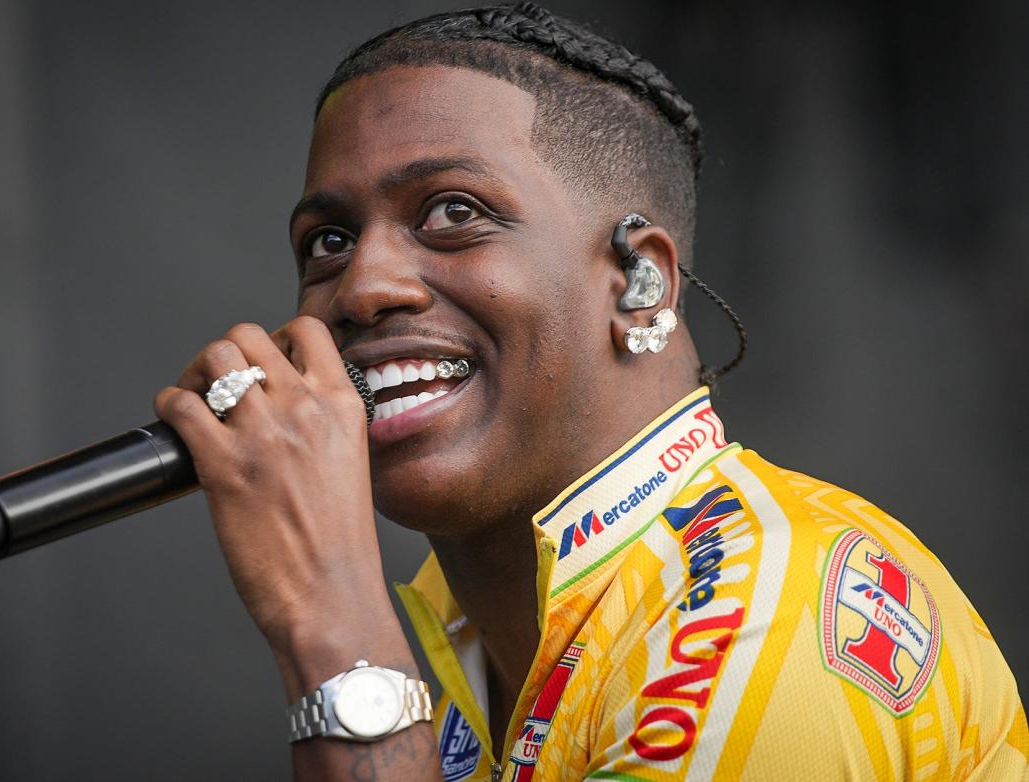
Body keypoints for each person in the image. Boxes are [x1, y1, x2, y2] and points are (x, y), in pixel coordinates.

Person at [153, 4, 1028, 780]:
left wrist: (334, 632)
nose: (360, 286)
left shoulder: (760, 637)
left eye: (454, 212)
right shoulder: (455, 619)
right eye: (328, 239)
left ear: (638, 281)